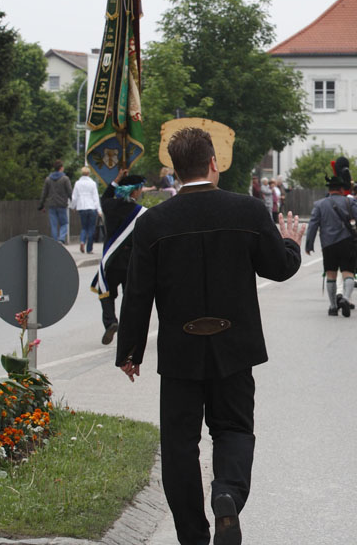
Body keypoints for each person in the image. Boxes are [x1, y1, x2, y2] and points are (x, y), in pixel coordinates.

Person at [116, 127, 305, 545]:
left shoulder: (152, 223)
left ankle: (193, 537)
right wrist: (291, 244)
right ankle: (227, 494)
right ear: (213, 163)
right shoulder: (248, 211)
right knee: (234, 429)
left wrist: (130, 350)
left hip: (180, 353)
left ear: (175, 169)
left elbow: (138, 293)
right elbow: (278, 267)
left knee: (179, 445)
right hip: (235, 349)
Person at [305, 157, 357, 317]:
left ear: (330, 189)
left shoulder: (319, 204)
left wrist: (309, 244)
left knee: (331, 275)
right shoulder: (349, 202)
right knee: (348, 273)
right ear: (341, 188)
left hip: (328, 245)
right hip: (347, 243)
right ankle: (345, 298)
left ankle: (333, 306)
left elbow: (313, 225)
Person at [92, 168, 147, 346]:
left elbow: (105, 197)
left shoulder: (109, 206)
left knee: (106, 292)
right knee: (129, 296)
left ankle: (110, 322)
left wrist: (117, 179)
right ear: (135, 191)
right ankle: (129, 329)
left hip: (111, 260)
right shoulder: (141, 212)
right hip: (131, 260)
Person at [39, 160, 73, 244]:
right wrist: (73, 204)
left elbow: (44, 193)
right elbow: (70, 192)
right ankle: (61, 239)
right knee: (64, 223)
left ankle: (54, 241)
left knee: (53, 225)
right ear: (61, 168)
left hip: (52, 205)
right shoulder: (65, 179)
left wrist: (41, 205)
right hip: (62, 205)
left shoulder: (48, 179)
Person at [70, 166, 102, 254]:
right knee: (91, 228)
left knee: (84, 227)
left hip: (82, 207)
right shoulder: (92, 183)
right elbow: (95, 197)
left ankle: (82, 241)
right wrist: (99, 210)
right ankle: (89, 249)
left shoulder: (77, 183)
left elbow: (74, 197)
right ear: (89, 174)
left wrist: (73, 207)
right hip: (92, 207)